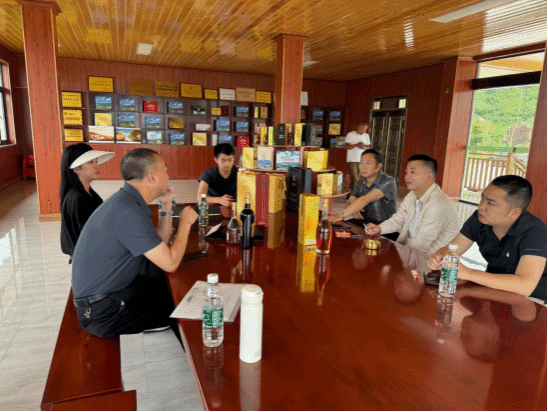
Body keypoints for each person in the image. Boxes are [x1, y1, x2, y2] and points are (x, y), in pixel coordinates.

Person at [71, 148, 198, 338]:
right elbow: (170, 262)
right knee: (179, 304)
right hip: (102, 313)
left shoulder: (127, 200)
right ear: (152, 177)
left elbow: (159, 245)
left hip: (106, 296)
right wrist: (185, 224)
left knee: (165, 283)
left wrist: (166, 205)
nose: (168, 176)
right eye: (165, 171)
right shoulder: (128, 212)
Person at [427, 175, 547, 303]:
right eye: (482, 198)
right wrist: (438, 257)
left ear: (514, 212)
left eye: (490, 203)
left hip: (533, 299)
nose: (481, 206)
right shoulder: (479, 219)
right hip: (493, 288)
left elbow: (525, 286)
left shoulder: (534, 231)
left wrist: (468, 273)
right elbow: (452, 249)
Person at [365, 154, 460, 254]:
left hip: (432, 258)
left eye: (412, 172)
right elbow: (399, 219)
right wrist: (379, 228)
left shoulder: (438, 204)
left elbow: (420, 244)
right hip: (410, 251)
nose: (407, 176)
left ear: (429, 176)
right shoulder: (412, 195)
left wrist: (396, 255)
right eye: (406, 172)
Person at [60, 143, 114, 258]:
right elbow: (88, 237)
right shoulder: (78, 198)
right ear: (76, 168)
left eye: (96, 161)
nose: (96, 166)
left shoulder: (88, 193)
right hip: (88, 257)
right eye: (91, 162)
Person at [328, 149, 396, 225]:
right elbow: (350, 201)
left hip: (383, 225)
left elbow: (365, 199)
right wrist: (354, 210)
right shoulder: (361, 182)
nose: (363, 167)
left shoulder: (388, 181)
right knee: (334, 225)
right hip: (363, 221)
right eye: (361, 163)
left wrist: (340, 214)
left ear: (378, 166)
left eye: (368, 163)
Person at [345, 122, 371, 191]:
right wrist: (356, 145)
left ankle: (351, 191)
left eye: (365, 130)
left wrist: (364, 146)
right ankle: (355, 193)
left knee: (356, 178)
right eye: (361, 129)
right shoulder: (350, 134)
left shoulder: (366, 136)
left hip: (362, 160)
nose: (363, 131)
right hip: (352, 160)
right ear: (358, 127)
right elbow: (346, 146)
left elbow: (368, 147)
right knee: (355, 178)